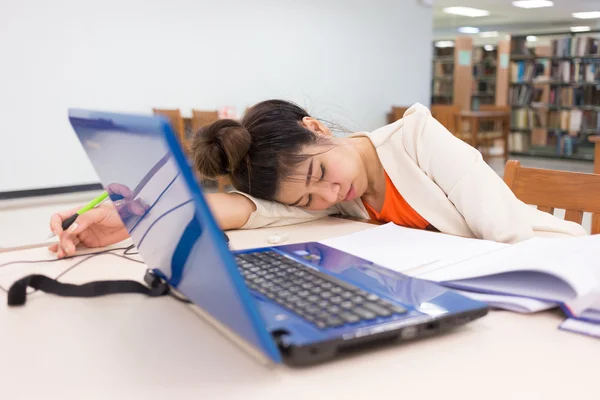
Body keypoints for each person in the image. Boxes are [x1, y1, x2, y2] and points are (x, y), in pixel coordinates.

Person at [49, 100, 586, 258]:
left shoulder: (419, 137)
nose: (329, 195)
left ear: (316, 127)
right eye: (309, 196)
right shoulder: (334, 198)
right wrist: (129, 216)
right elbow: (247, 210)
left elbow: (508, 235)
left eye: (320, 172)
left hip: (553, 262)